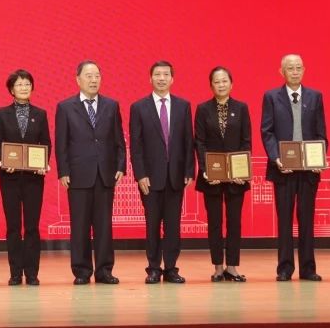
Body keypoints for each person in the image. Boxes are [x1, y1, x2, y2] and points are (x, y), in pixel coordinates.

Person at [55, 60, 126, 285]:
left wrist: (121, 166)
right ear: (78, 79)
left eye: (97, 76)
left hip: (105, 174)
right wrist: (63, 170)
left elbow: (119, 139)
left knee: (104, 226)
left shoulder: (111, 105)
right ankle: (82, 271)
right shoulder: (66, 107)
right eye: (89, 76)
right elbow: (61, 142)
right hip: (77, 175)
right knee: (80, 225)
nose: (94, 80)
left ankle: (104, 270)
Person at [261, 54, 326, 282]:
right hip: (283, 169)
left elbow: (320, 133)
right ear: (282, 71)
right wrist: (276, 157)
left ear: (304, 70)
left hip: (308, 170)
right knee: (285, 220)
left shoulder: (315, 96)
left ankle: (308, 268)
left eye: (299, 67)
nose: (295, 72)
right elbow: (267, 131)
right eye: (290, 68)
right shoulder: (271, 97)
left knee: (307, 220)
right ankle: (285, 267)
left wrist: (319, 158)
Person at [129, 60, 194, 284]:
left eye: (166, 74)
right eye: (157, 74)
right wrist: (140, 174)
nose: (162, 78)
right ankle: (154, 268)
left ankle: (172, 268)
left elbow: (188, 141)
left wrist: (189, 170)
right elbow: (136, 145)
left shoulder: (183, 106)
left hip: (176, 176)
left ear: (172, 79)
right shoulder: (139, 107)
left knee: (173, 226)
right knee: (153, 225)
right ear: (150, 78)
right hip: (150, 178)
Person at [0, 69, 51, 286]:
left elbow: (46, 142)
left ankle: (32, 273)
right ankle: (15, 272)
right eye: (19, 84)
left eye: (27, 84)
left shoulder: (40, 114)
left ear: (32, 88)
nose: (24, 87)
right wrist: (2, 160)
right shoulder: (2, 113)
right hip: (10, 178)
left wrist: (43, 163)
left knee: (32, 226)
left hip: (34, 178)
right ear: (11, 90)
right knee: (13, 226)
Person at [194, 66, 252, 282]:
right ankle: (218, 267)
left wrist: (242, 171)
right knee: (215, 222)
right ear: (211, 85)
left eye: (224, 81)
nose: (221, 85)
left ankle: (232, 267)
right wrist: (206, 170)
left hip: (236, 177)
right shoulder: (203, 109)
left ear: (231, 84)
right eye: (217, 82)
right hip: (212, 177)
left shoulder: (241, 108)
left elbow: (246, 141)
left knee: (234, 222)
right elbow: (200, 142)